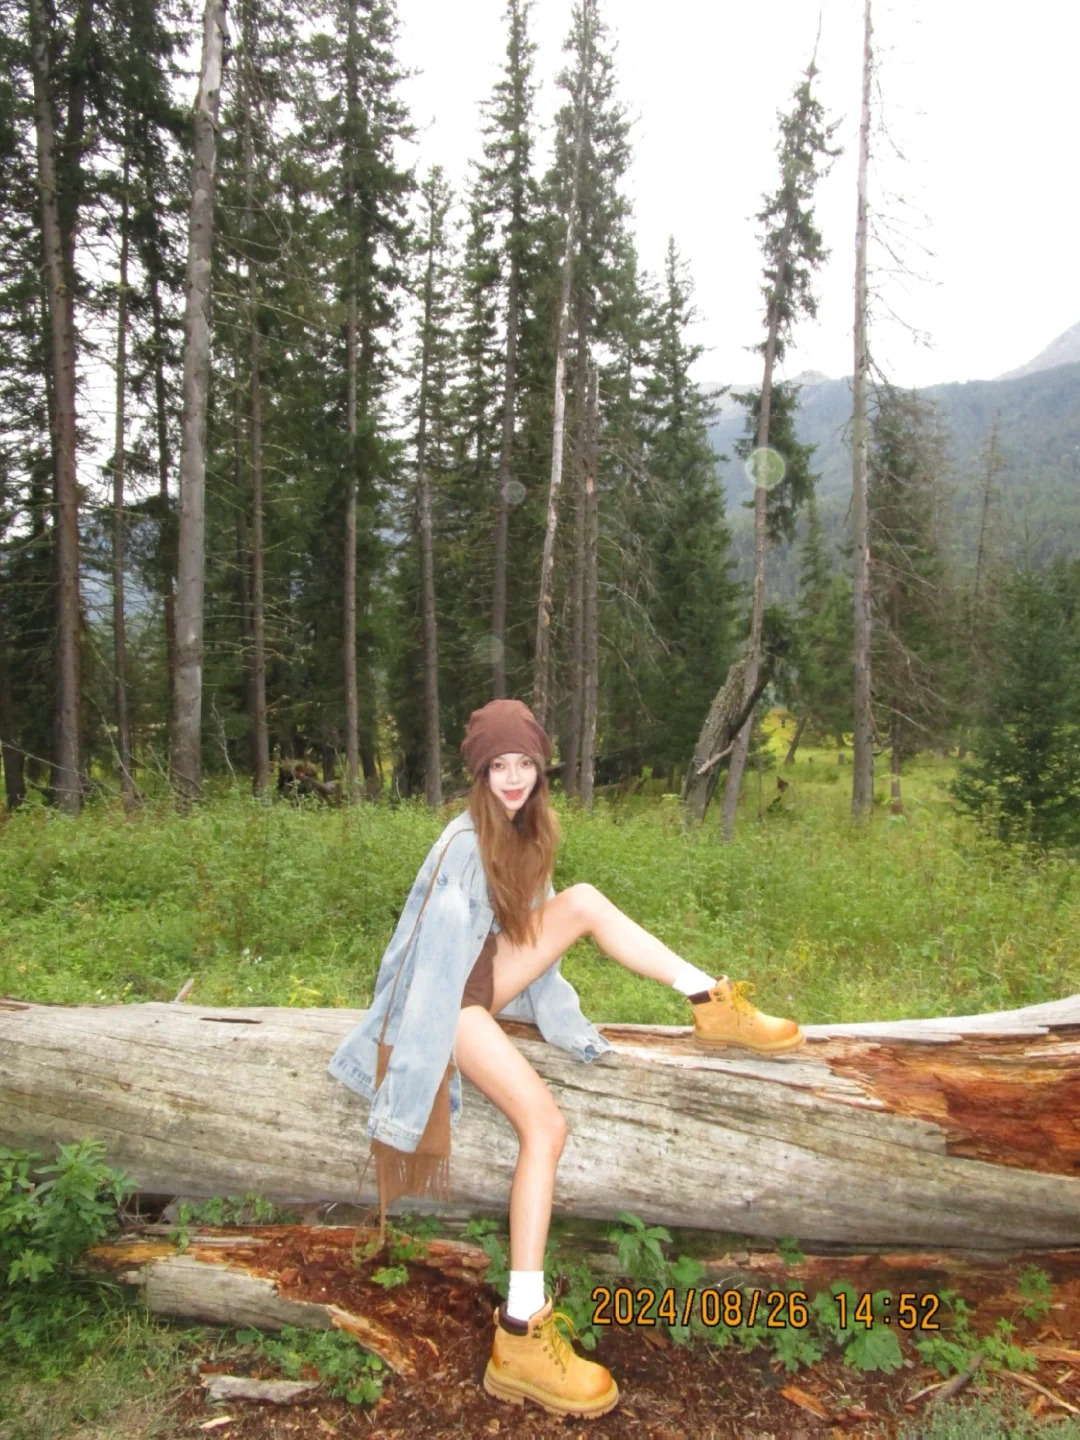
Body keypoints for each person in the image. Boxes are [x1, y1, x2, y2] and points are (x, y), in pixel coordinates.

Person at [329, 698, 803, 1421]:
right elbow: (420, 965)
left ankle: (710, 1000)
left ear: (539, 769)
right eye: (499, 766)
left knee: (581, 901)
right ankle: (521, 1330)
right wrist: (414, 1057)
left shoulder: (530, 829)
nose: (513, 778)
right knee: (545, 1127)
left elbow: (525, 935)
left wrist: (554, 1019)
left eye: (524, 763)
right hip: (444, 1001)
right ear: (479, 773)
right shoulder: (463, 844)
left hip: (479, 979)